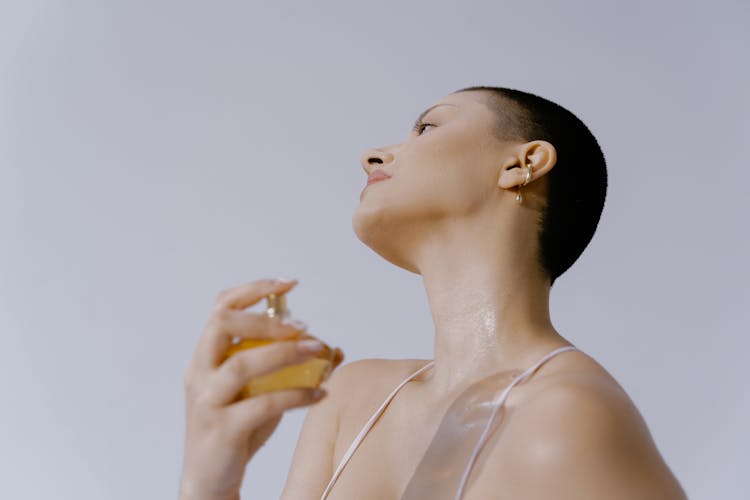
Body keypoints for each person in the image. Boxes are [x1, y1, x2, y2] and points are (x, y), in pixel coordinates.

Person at [178, 86, 688, 500]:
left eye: (427, 127)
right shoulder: (351, 400)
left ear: (522, 164)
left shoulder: (567, 418)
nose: (372, 155)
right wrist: (209, 478)